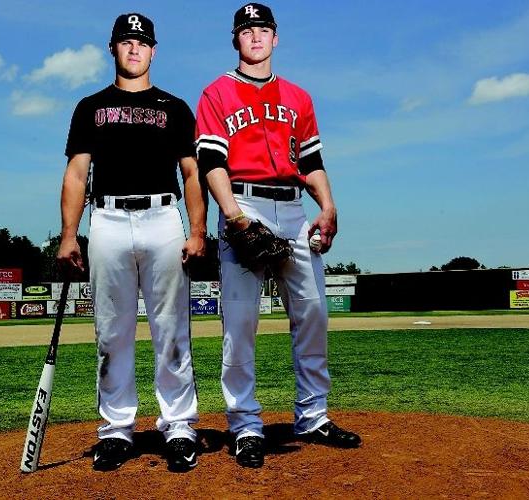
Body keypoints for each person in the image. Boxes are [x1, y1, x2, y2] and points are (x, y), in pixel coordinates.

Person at [194, 3, 361, 468]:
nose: (255, 36)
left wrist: (327, 205)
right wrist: (233, 217)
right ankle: (245, 424)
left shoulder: (299, 98)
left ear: (275, 38)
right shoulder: (216, 93)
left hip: (292, 208)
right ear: (236, 40)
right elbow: (211, 162)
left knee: (312, 313)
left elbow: (310, 163)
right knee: (241, 324)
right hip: (242, 204)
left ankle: (313, 415)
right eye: (246, 30)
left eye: (263, 29)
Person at [57, 12, 207, 473]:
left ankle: (179, 426)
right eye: (126, 41)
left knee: (171, 330)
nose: (134, 48)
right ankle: (116, 431)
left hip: (164, 217)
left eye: (142, 42)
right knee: (112, 331)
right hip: (107, 218)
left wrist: (198, 230)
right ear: (113, 48)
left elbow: (191, 173)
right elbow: (77, 174)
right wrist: (68, 235)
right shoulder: (90, 106)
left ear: (153, 50)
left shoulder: (175, 107)